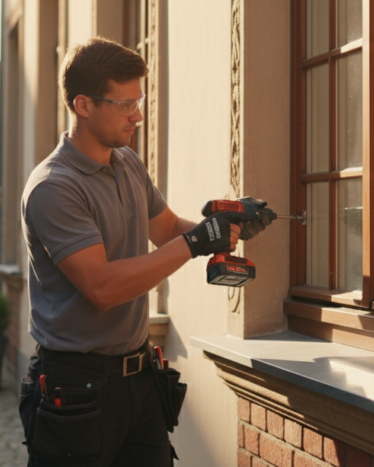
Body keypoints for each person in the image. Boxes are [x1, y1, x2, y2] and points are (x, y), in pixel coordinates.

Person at [18, 37, 274, 466]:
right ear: (83, 105)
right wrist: (195, 242)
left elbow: (167, 229)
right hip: (74, 388)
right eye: (125, 104)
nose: (137, 115)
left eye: (138, 101)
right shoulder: (53, 187)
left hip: (139, 379)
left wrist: (225, 229)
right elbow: (101, 287)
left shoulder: (127, 163)